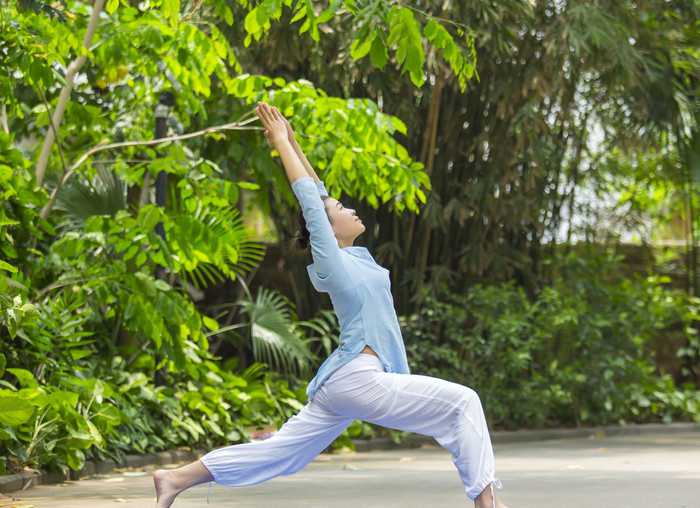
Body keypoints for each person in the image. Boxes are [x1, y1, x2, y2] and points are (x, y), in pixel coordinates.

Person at [152, 102, 508, 508]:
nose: (350, 209)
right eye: (342, 209)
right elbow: (311, 201)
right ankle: (489, 505)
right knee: (465, 402)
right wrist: (282, 145)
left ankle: (176, 478)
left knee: (282, 453)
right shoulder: (333, 262)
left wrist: (291, 140)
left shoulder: (355, 259)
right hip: (359, 377)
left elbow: (317, 191)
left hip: (344, 382)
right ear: (329, 230)